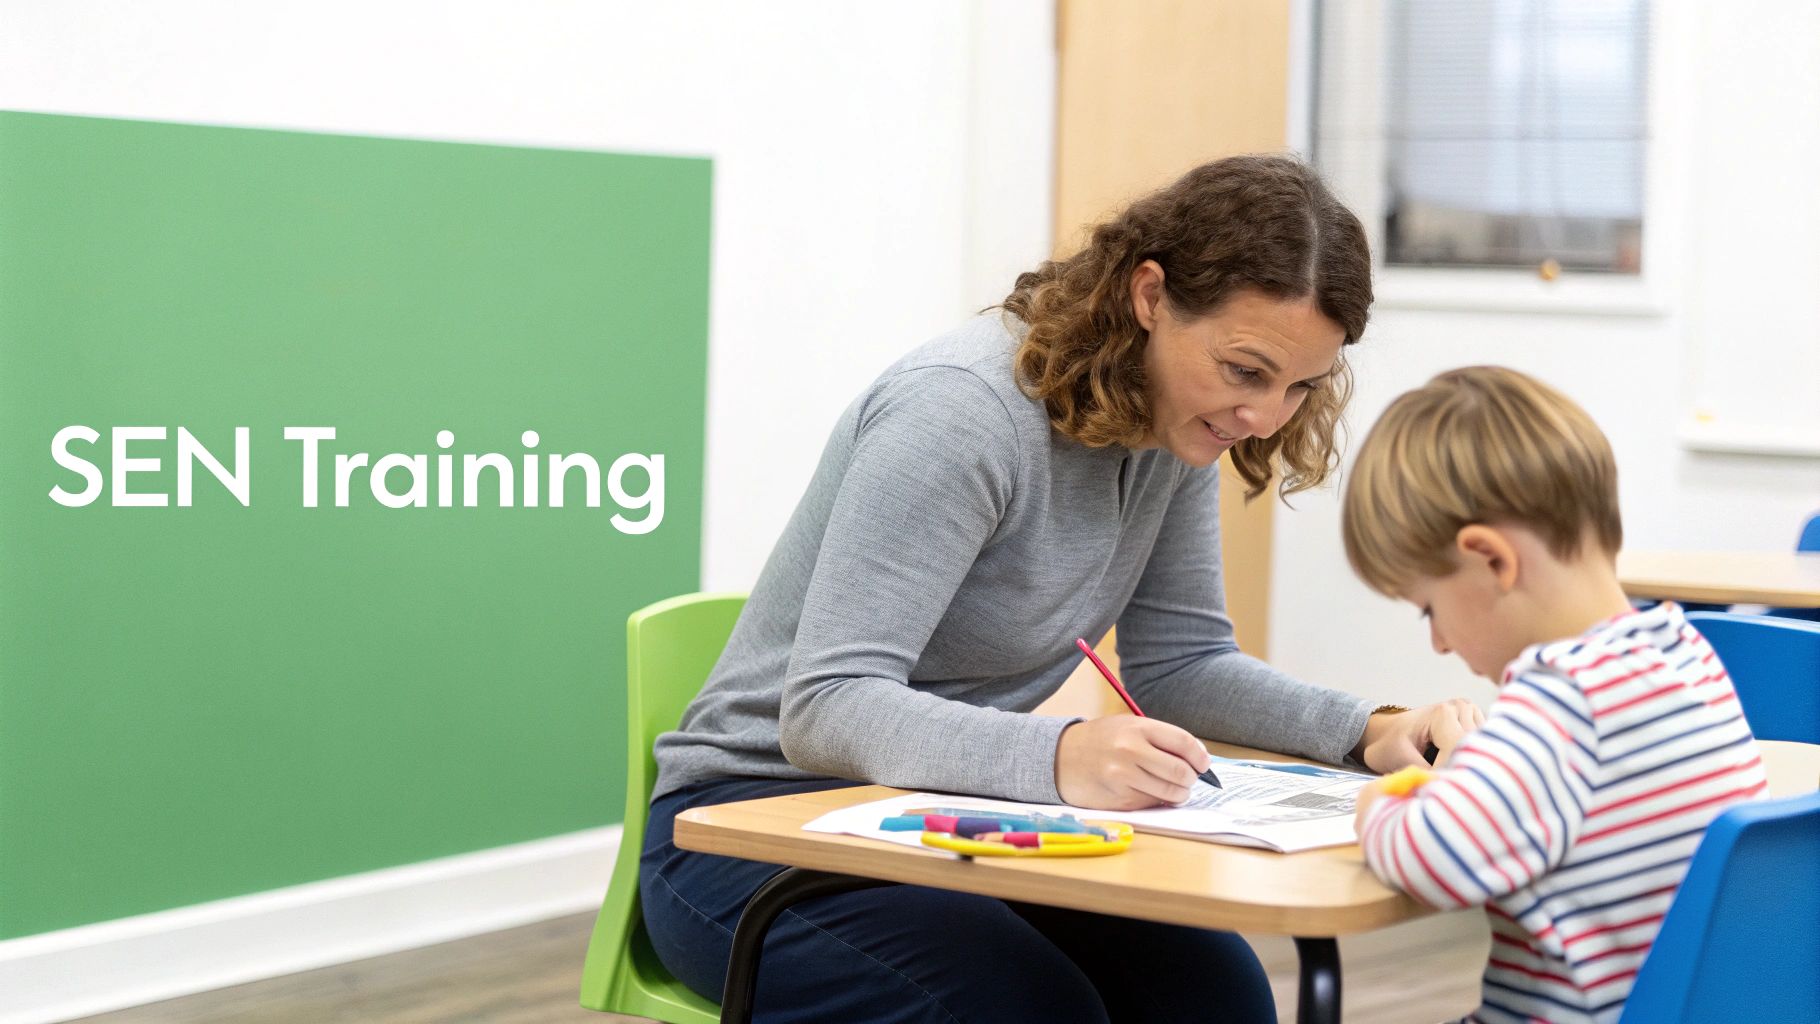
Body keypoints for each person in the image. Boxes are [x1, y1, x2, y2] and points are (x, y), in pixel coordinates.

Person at [641, 154, 1470, 1023]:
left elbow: (1183, 665)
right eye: (1245, 371)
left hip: (946, 814)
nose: (1264, 417)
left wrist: (1368, 731)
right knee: (1032, 1009)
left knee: (1216, 998)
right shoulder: (957, 413)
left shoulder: (1177, 428)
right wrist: (1062, 755)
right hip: (752, 834)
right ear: (1150, 296)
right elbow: (827, 705)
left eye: (1301, 386)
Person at [1343, 367, 1768, 1024]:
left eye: (1429, 609)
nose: (1440, 644)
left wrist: (1383, 803)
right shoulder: (1687, 653)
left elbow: (1439, 857)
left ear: (1491, 560)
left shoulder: (1565, 700)